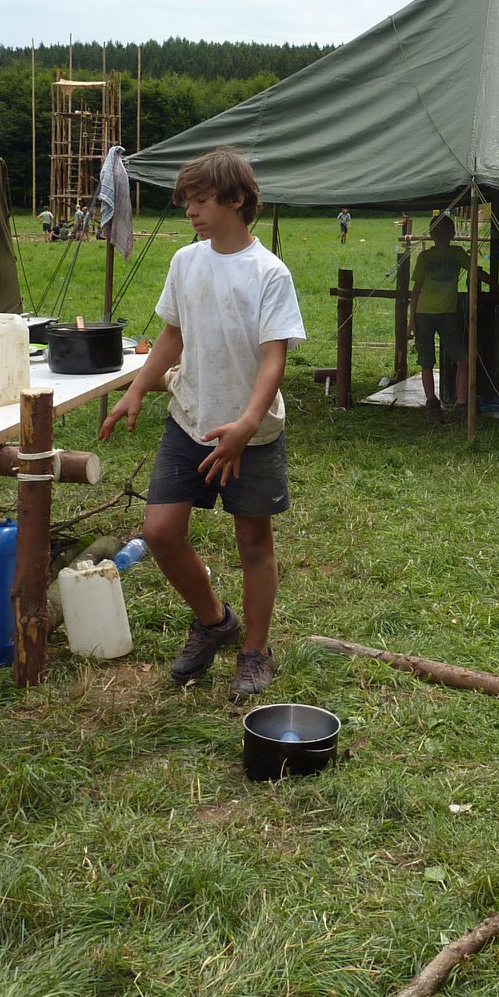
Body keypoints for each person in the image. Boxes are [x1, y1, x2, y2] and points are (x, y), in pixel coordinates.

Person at [98, 148, 306, 699]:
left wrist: (247, 424)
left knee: (253, 542)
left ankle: (255, 652)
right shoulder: (185, 262)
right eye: (187, 201)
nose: (190, 210)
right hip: (188, 419)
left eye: (201, 200)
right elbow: (173, 335)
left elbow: (274, 359)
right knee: (160, 533)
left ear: (236, 200)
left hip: (251, 434)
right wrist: (137, 388)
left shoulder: (269, 273)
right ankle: (214, 621)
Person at [409, 214, 470, 420]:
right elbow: (416, 290)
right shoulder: (424, 257)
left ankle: (461, 404)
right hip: (424, 314)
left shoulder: (458, 253)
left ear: (453, 234)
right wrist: (411, 320)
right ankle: (432, 402)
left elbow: (475, 271)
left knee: (462, 360)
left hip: (448, 314)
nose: (441, 235)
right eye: (437, 232)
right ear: (431, 234)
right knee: (426, 361)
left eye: (445, 232)